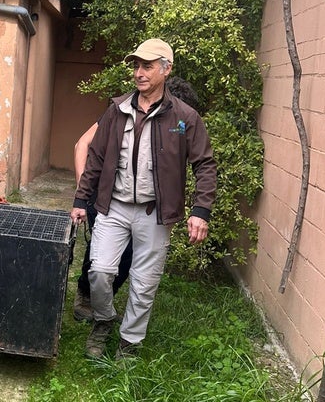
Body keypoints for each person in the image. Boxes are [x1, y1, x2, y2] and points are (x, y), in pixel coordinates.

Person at [70, 38, 217, 359]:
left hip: (154, 214)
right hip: (113, 207)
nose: (139, 72)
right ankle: (104, 320)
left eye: (147, 66)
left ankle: (129, 344)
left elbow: (204, 163)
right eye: (136, 66)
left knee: (144, 282)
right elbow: (94, 157)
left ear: (166, 69)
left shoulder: (185, 118)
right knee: (99, 272)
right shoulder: (117, 110)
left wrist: (201, 210)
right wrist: (81, 201)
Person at [72, 76, 201, 322]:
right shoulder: (120, 113)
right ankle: (86, 296)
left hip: (142, 206)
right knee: (99, 258)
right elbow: (82, 144)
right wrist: (83, 192)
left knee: (127, 259)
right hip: (105, 196)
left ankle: (106, 311)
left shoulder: (178, 120)